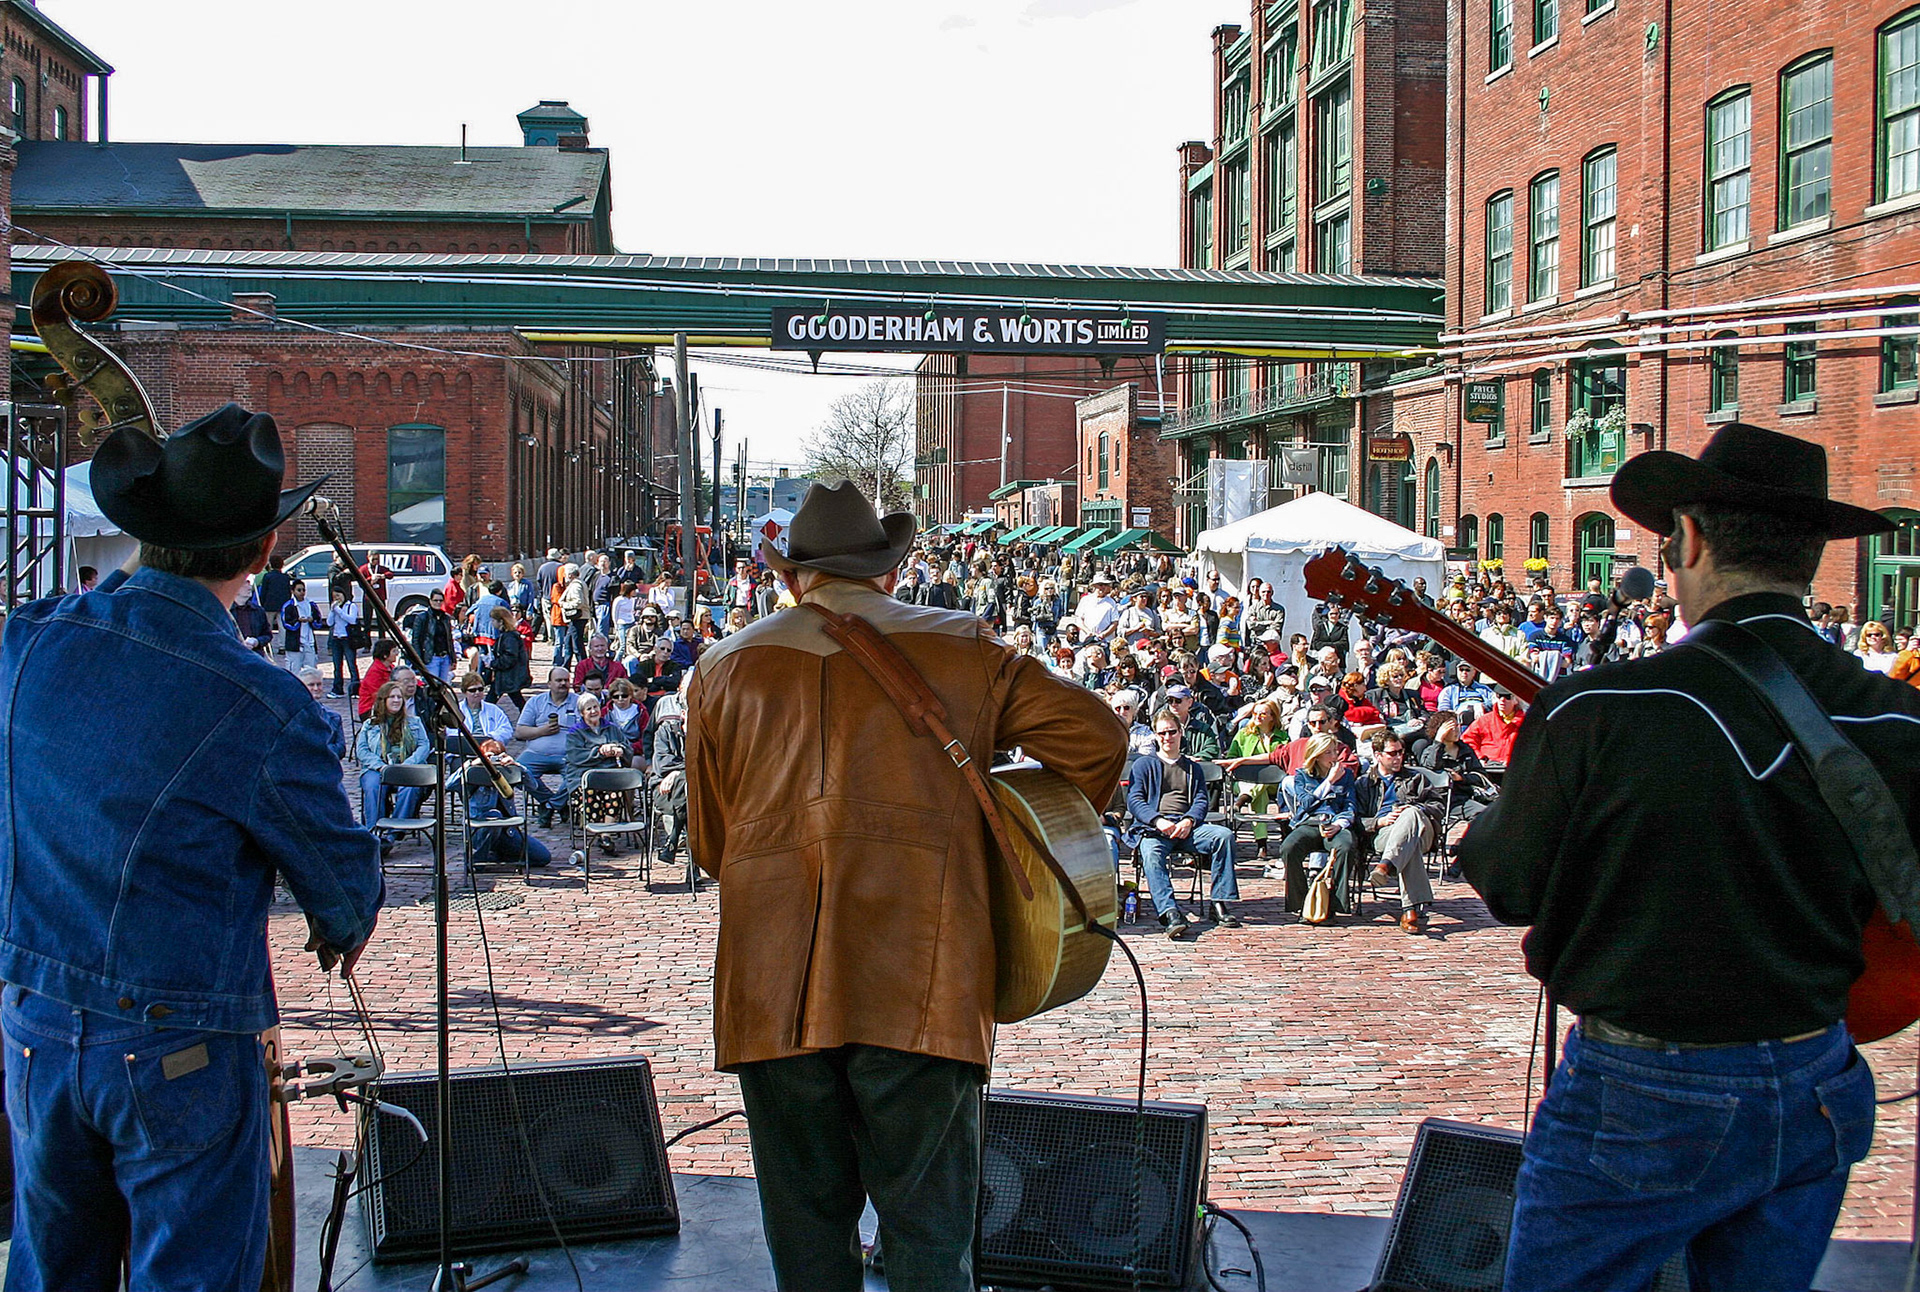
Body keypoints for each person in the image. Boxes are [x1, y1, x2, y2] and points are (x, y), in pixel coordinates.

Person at [1460, 422, 1920, 1290]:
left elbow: (1511, 885)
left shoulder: (1598, 709)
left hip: (1645, 1084)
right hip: (1819, 1069)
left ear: (1691, 540)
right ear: (1814, 556)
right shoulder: (1898, 719)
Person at [685, 481, 1125, 1292]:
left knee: (806, 1236)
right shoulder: (967, 647)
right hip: (922, 972)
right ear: (889, 571)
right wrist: (1011, 832)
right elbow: (1098, 739)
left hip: (772, 983)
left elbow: (713, 845)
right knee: (929, 1236)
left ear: (793, 578)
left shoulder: (722, 665)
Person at [0, 403, 382, 1291]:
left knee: (51, 1270)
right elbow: (345, 896)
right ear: (260, 553)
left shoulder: (23, 643)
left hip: (33, 1024)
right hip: (180, 1044)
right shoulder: (262, 703)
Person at [1124, 705, 1241, 938]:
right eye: (1162, 733)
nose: (1168, 737)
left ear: (1181, 733)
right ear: (1156, 736)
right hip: (1154, 830)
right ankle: (1170, 913)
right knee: (1151, 853)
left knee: (1223, 836)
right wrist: (1157, 821)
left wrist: (1189, 821)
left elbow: (1200, 800)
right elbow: (1135, 801)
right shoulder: (1143, 765)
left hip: (1187, 828)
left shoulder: (1192, 768)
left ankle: (1219, 902)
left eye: (1172, 732)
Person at [1356, 731, 1442, 934]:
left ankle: (1386, 866)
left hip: (1422, 832)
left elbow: (1438, 806)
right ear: (1377, 755)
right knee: (1406, 846)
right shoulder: (1363, 783)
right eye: (1392, 753)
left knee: (1410, 813)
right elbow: (1356, 819)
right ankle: (1409, 909)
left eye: (1401, 752)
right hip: (1384, 834)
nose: (1398, 757)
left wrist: (1416, 810)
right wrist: (1379, 822)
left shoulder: (1415, 778)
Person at [1274, 732, 1359, 919]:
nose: (1334, 757)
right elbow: (1306, 803)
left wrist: (1339, 824)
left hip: (1335, 823)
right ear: (1317, 755)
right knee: (1289, 848)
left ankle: (1334, 905)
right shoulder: (1302, 776)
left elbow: (1350, 805)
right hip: (1310, 822)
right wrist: (1329, 781)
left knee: (1346, 846)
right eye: (1328, 753)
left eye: (1334, 752)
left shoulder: (1346, 776)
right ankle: (1302, 903)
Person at [356, 679, 431, 848]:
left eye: (399, 697)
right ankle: (374, 833)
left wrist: (409, 764)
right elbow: (362, 750)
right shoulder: (370, 724)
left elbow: (424, 745)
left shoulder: (414, 722)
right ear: (383, 700)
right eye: (392, 697)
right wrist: (380, 766)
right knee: (373, 786)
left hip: (406, 768)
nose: (397, 700)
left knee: (411, 787)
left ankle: (392, 833)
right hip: (378, 768)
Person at [563, 691, 634, 854]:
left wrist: (619, 750)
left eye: (595, 707)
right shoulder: (575, 733)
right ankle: (601, 834)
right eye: (589, 709)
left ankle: (605, 835)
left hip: (610, 777)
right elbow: (576, 757)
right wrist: (600, 752)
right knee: (590, 794)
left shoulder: (611, 728)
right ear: (582, 713)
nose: (594, 711)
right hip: (583, 777)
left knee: (614, 793)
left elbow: (627, 747)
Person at [1219, 698, 1286, 859]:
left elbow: (1284, 760)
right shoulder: (1244, 734)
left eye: (1263, 714)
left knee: (1261, 782)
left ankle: (1241, 803)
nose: (1257, 717)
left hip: (1274, 783)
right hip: (1243, 782)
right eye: (1255, 713)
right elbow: (1232, 756)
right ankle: (1261, 844)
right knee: (1259, 793)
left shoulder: (1282, 737)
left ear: (1272, 716)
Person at [515, 667, 580, 825]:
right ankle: (552, 802)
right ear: (549, 683)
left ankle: (550, 806)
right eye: (559, 680)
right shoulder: (536, 702)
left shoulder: (578, 701)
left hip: (569, 755)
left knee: (579, 775)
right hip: (536, 753)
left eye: (566, 680)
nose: (563, 683)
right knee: (515, 771)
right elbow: (519, 732)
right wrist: (541, 731)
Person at [1461, 685, 1525, 764]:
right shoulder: (1484, 721)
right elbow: (1467, 740)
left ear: (1516, 700)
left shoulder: (1527, 724)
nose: (1502, 700)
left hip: (1513, 769)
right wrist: (1479, 758)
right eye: (1499, 696)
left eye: (1507, 697)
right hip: (1487, 767)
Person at [486, 605, 531, 707]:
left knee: (516, 700)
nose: (492, 623)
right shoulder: (506, 635)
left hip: (509, 676)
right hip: (506, 676)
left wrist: (493, 663)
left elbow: (509, 658)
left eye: (494, 620)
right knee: (517, 700)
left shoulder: (509, 637)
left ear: (501, 622)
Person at [409, 587, 456, 682]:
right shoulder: (422, 617)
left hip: (445, 657)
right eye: (435, 600)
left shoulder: (446, 618)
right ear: (430, 601)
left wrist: (453, 658)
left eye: (440, 600)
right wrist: (419, 659)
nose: (438, 603)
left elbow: (449, 639)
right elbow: (416, 640)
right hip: (431, 657)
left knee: (443, 685)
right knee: (432, 685)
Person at [279, 577, 324, 675]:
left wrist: (312, 621)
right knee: (293, 670)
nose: (302, 592)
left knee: (311, 670)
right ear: (293, 591)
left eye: (303, 590)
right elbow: (286, 623)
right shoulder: (289, 606)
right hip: (295, 643)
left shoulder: (311, 604)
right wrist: (298, 621)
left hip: (309, 642)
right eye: (299, 590)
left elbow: (319, 621)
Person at [325, 584, 362, 698]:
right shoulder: (335, 608)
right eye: (334, 596)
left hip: (348, 638)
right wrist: (332, 610)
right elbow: (329, 623)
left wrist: (339, 611)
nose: (337, 598)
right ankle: (337, 689)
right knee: (337, 665)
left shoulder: (351, 606)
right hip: (336, 638)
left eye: (338, 595)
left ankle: (355, 690)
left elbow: (351, 620)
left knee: (351, 664)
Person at [359, 638, 399, 720]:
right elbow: (377, 695)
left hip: (387, 704)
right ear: (385, 655)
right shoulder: (374, 671)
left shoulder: (391, 668)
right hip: (370, 709)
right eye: (394, 651)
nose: (397, 654)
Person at [232, 584, 270, 656]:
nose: (249, 587)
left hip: (254, 655)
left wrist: (257, 641)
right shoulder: (225, 611)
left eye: (249, 583)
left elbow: (267, 634)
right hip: (233, 657)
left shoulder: (258, 611)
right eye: (244, 584)